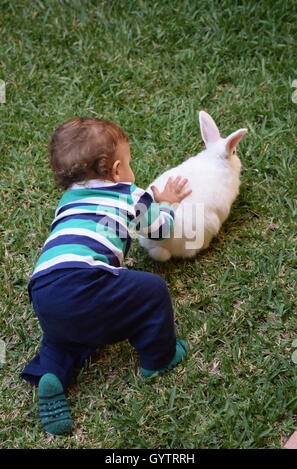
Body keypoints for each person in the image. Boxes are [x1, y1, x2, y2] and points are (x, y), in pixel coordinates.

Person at [21, 117, 192, 435]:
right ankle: (159, 357)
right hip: (84, 281)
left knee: (63, 337)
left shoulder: (67, 201)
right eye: (128, 163)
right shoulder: (129, 194)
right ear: (115, 170)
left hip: (44, 288)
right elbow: (160, 231)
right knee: (152, 288)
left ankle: (52, 373)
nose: (130, 170)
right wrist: (165, 203)